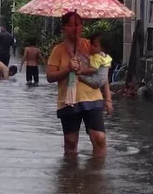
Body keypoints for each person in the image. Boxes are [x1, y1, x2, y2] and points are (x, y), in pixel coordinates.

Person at [45, 12, 114, 158]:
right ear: (64, 28)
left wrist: (108, 99)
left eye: (78, 24)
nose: (75, 28)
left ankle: (97, 177)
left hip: (92, 98)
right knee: (70, 142)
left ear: (82, 26)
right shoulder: (58, 50)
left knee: (99, 138)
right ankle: (70, 177)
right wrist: (67, 69)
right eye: (70, 25)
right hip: (69, 100)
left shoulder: (91, 46)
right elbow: (50, 77)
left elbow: (103, 73)